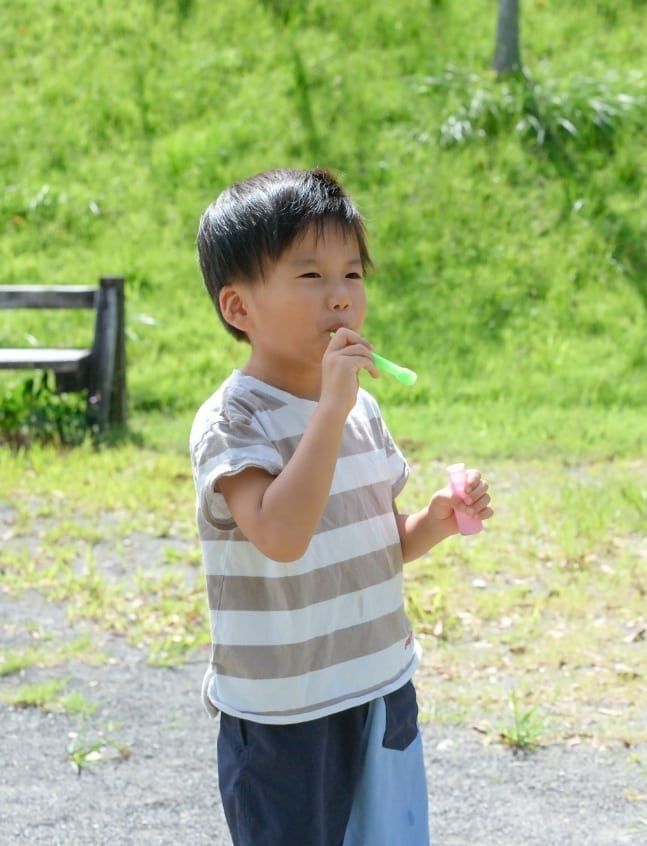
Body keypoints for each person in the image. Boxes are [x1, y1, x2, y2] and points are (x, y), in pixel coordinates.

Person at [189, 167, 494, 846]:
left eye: (352, 275)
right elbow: (282, 534)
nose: (341, 299)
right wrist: (330, 408)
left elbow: (380, 541)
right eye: (310, 278)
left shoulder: (362, 410)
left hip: (379, 685)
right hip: (284, 714)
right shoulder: (233, 421)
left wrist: (437, 519)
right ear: (239, 309)